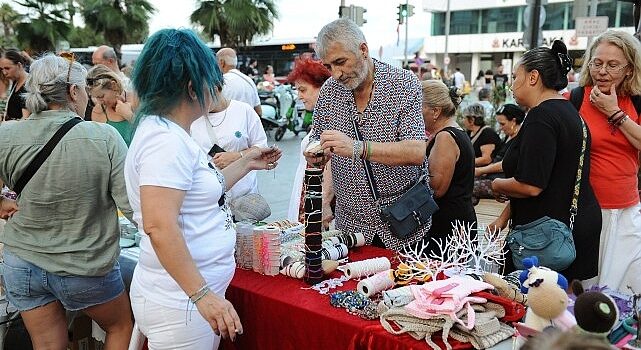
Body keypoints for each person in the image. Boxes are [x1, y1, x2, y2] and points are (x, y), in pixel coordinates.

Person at [125, 28, 281, 349]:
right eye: (213, 81)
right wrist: (203, 296)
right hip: (181, 303)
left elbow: (204, 190)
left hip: (182, 298)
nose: (217, 90)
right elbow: (159, 224)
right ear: (194, 87)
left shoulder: (172, 133)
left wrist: (249, 161)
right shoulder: (165, 141)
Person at [0, 53, 134, 350]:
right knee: (120, 326)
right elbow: (132, 205)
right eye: (83, 89)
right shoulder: (104, 137)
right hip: (85, 266)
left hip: (23, 262)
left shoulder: (6, 134)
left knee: (47, 345)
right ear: (73, 92)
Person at [304, 19, 428, 251]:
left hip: (402, 221)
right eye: (329, 66)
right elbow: (319, 140)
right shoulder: (330, 92)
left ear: (363, 49)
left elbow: (416, 152)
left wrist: (358, 148)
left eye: (341, 62)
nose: (337, 74)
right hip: (351, 225)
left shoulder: (403, 83)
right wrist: (316, 155)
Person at [491, 40, 601, 282]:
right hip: (569, 226)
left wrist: (497, 185)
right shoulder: (570, 113)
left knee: (534, 309)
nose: (512, 85)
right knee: (562, 312)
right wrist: (504, 218)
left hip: (546, 236)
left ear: (533, 77)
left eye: (514, 76)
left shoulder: (542, 117)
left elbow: (531, 185)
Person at [570, 30, 641, 292]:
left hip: (627, 211)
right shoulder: (575, 99)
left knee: (625, 289)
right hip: (587, 210)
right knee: (586, 289)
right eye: (597, 63)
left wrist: (614, 112)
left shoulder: (635, 102)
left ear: (629, 70)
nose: (603, 71)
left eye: (612, 65)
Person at [190, 86, 268, 206]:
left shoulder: (243, 111)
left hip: (243, 199)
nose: (200, 103)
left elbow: (262, 148)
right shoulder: (192, 118)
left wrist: (237, 156)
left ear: (216, 88)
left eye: (202, 96)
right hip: (210, 201)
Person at [421, 81, 476, 251]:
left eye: (417, 107)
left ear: (435, 111)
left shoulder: (445, 137)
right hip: (455, 218)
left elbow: (436, 188)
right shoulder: (453, 132)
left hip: (449, 224)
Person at [285, 56, 334, 226]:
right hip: (309, 197)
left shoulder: (333, 120)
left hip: (318, 204)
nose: (299, 96)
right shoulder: (322, 119)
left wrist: (324, 201)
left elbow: (334, 162)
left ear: (323, 88)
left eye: (303, 90)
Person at [473, 104, 525, 203]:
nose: (500, 128)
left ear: (513, 121)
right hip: (492, 176)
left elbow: (506, 163)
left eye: (502, 124)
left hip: (503, 181)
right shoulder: (508, 136)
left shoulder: (520, 139)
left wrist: (481, 170)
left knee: (468, 187)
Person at [86, 64, 134, 146]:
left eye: (101, 96)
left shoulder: (137, 100)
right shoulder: (99, 111)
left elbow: (151, 132)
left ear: (114, 86)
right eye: (96, 98)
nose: (100, 102)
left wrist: (129, 115)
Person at [216, 48, 262, 117]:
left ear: (222, 62)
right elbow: (259, 112)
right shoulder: (249, 81)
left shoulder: (221, 82)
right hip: (248, 126)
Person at [0, 49, 29, 120]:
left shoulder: (29, 84)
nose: (4, 73)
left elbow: (25, 118)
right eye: (2, 69)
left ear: (19, 65)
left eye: (7, 68)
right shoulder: (15, 82)